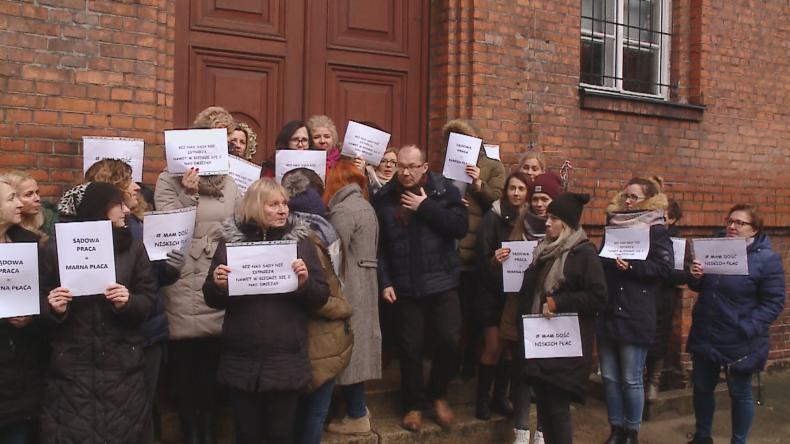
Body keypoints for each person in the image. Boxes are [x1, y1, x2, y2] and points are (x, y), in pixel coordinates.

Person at [203, 178, 330, 444]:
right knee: (247, 435)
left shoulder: (300, 243)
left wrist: (304, 284)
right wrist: (218, 284)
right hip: (241, 357)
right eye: (274, 204)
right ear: (256, 206)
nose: (283, 209)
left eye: (284, 203)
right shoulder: (231, 243)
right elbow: (211, 298)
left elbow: (321, 297)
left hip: (285, 359)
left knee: (281, 435)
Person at [40, 182, 157, 443]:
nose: (127, 210)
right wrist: (54, 308)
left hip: (122, 368)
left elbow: (149, 300)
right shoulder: (56, 249)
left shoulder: (134, 249)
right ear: (100, 210)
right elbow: (39, 303)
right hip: (72, 369)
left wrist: (128, 302)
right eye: (119, 205)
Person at [154, 106, 241, 444]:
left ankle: (210, 434)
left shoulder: (230, 180)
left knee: (213, 367)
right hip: (183, 278)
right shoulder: (168, 179)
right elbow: (168, 228)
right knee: (186, 368)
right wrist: (188, 195)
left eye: (225, 132)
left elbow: (235, 226)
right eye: (213, 130)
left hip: (217, 276)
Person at [85, 159, 184, 444]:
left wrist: (171, 268)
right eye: (130, 181)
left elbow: (152, 279)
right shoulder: (99, 233)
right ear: (114, 189)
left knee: (143, 409)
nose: (137, 187)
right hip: (120, 333)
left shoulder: (138, 224)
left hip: (147, 330)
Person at [373, 144, 468, 431]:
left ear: (424, 166)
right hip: (405, 283)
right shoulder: (384, 198)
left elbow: (459, 227)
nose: (405, 172)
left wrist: (424, 207)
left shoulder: (443, 191)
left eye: (412, 166)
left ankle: (438, 393)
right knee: (410, 348)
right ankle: (413, 405)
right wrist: (385, 280)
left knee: (451, 341)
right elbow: (379, 247)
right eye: (401, 166)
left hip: (442, 280)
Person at [685, 204, 785, 444]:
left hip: (740, 338)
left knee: (740, 393)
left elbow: (774, 301)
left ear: (754, 229)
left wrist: (748, 327)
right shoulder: (714, 249)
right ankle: (702, 436)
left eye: (740, 223)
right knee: (701, 388)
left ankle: (738, 440)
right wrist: (695, 275)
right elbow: (699, 285)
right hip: (707, 332)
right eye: (730, 221)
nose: (732, 226)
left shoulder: (766, 259)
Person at [516, 192, 607, 444]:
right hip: (542, 343)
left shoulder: (583, 254)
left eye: (553, 218)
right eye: (548, 218)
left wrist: (559, 302)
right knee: (544, 409)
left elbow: (598, 296)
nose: (547, 223)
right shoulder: (545, 251)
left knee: (557, 409)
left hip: (566, 347)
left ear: (566, 223)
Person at [597, 177, 674, 444]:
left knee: (631, 378)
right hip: (609, 309)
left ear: (648, 200)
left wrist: (632, 266)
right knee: (609, 376)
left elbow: (664, 268)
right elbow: (602, 260)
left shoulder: (656, 230)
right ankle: (615, 428)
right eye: (626, 196)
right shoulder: (613, 224)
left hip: (636, 310)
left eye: (634, 197)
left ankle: (632, 431)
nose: (628, 201)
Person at [442, 120, 506, 388]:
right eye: (452, 138)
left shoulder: (493, 165)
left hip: (478, 252)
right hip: (450, 250)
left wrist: (478, 185)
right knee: (452, 317)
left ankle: (470, 362)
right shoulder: (447, 166)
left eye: (463, 137)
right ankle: (451, 363)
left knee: (474, 315)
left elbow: (501, 202)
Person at [500, 171, 562, 444]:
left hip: (550, 313)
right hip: (520, 307)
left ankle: (542, 432)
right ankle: (521, 430)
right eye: (535, 198)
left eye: (544, 198)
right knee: (522, 372)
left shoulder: (563, 230)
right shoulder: (519, 223)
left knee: (546, 378)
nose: (539, 204)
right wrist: (499, 260)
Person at [323, 158, 382, 435]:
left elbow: (334, 254)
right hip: (366, 286)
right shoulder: (366, 206)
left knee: (348, 349)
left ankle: (357, 413)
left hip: (350, 287)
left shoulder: (343, 210)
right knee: (359, 347)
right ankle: (358, 408)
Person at [475, 172, 531, 420]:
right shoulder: (492, 217)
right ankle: (482, 400)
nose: (516, 193)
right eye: (512, 188)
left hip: (517, 295)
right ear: (505, 190)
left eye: (521, 189)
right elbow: (481, 257)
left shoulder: (534, 220)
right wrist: (494, 261)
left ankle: (500, 396)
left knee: (509, 348)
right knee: (493, 346)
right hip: (493, 293)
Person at [0, 175, 48, 444]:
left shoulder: (28, 245)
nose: (20, 204)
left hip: (21, 373)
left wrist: (32, 313)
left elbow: (42, 294)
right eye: (11, 199)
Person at [645, 199, 686, 401]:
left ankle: (654, 380)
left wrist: (664, 270)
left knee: (659, 341)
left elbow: (685, 274)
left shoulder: (679, 242)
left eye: (666, 217)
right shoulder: (645, 235)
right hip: (643, 297)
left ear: (673, 219)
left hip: (663, 298)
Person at [4, 170, 58, 237]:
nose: (37, 198)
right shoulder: (6, 227)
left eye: (37, 193)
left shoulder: (51, 219)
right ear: (13, 198)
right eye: (28, 194)